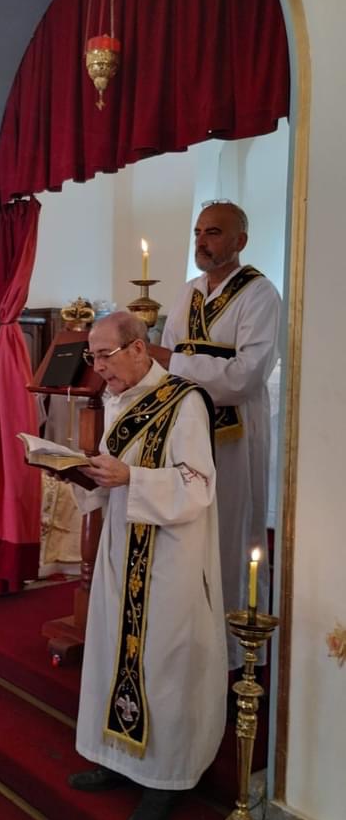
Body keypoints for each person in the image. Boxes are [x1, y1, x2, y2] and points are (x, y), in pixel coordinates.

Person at [67, 311, 227, 820]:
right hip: (123, 547)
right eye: (92, 357)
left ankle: (165, 779)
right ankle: (116, 759)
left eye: (104, 356)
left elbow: (198, 485)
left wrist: (131, 478)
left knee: (163, 664)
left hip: (169, 558)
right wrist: (80, 473)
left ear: (138, 348)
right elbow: (112, 473)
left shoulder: (184, 402)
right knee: (114, 650)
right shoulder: (119, 399)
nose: (97, 368)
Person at [159, 201, 281, 669]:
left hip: (234, 436)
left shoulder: (259, 294)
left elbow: (245, 376)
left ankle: (236, 655)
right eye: (198, 232)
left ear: (239, 241)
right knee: (187, 535)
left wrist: (174, 363)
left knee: (231, 534)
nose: (201, 241)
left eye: (213, 232)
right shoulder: (188, 292)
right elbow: (164, 358)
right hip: (186, 430)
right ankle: (189, 645)